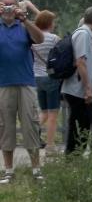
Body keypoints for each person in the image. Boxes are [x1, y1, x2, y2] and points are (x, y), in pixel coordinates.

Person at [0, 0, 44, 183]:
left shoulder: (24, 26)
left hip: (26, 83)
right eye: (5, 4)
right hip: (3, 85)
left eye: (11, 5)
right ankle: (8, 171)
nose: (8, 8)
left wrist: (24, 19)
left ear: (17, 6)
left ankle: (36, 170)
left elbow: (40, 39)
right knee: (5, 128)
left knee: (31, 126)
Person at [62, 7, 92, 154]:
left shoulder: (83, 33)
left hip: (77, 87)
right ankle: (78, 156)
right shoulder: (83, 34)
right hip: (78, 88)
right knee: (81, 124)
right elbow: (80, 62)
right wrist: (88, 88)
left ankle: (75, 157)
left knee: (82, 124)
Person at [32, 10, 61, 154]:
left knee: (43, 112)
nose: (54, 24)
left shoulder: (32, 38)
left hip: (36, 77)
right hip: (51, 77)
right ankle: (50, 146)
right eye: (53, 21)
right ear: (49, 23)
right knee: (53, 114)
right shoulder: (54, 39)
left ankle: (31, 132)